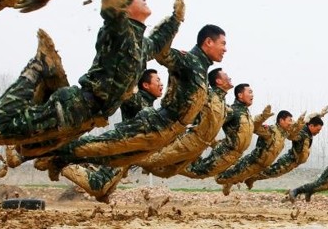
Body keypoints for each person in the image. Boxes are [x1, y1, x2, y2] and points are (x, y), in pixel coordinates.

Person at [0, 0, 184, 154]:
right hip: (75, 108)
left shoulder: (141, 44)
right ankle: (40, 66)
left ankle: (50, 77)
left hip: (87, 118)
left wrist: (176, 19)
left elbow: (158, 41)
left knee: (30, 149)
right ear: (125, 8)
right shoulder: (118, 31)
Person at [41, 24, 228, 172]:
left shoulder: (202, 69)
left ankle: (57, 159)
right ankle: (36, 149)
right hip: (155, 125)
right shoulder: (189, 61)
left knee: (112, 159)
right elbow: (162, 53)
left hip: (166, 133)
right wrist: (173, 22)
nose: (225, 49)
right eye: (223, 43)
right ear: (208, 42)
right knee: (97, 146)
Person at [138, 68, 232, 178]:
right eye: (225, 75)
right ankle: (125, 162)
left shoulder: (222, 101)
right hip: (190, 141)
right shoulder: (207, 95)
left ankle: (141, 164)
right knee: (154, 160)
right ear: (219, 81)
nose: (229, 77)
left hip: (199, 146)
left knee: (169, 172)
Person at [216, 109, 306, 196]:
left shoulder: (284, 133)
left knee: (245, 177)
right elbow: (255, 127)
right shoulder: (270, 131)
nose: (291, 123)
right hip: (251, 163)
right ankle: (220, 173)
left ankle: (234, 182)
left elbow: (293, 134)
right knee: (221, 178)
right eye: (289, 120)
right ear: (281, 120)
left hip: (262, 167)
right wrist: (262, 117)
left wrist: (299, 123)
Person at [179, 83, 257, 179]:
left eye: (252, 92)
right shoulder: (232, 111)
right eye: (249, 92)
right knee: (197, 172)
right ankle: (172, 163)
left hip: (234, 154)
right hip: (225, 153)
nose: (252, 95)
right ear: (240, 95)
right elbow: (215, 122)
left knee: (215, 173)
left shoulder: (245, 112)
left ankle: (177, 162)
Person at [244, 108, 327, 189]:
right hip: (289, 160)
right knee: (272, 172)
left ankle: (250, 178)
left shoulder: (307, 130)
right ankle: (249, 177)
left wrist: (320, 114)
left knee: (272, 172)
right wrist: (292, 134)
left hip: (294, 162)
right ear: (311, 126)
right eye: (318, 129)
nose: (318, 132)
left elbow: (307, 120)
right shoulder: (302, 133)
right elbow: (293, 135)